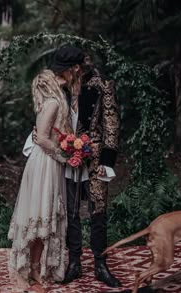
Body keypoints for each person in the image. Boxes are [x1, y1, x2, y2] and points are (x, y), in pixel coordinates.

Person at [49, 46, 122, 288]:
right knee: (71, 211)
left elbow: (111, 124)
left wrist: (107, 162)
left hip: (95, 159)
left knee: (97, 210)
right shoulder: (61, 87)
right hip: (67, 157)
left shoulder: (102, 85)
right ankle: (74, 263)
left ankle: (101, 264)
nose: (60, 75)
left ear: (76, 68)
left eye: (64, 70)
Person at [8, 69, 70, 284]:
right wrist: (63, 155)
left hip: (46, 161)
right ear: (50, 84)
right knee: (39, 216)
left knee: (42, 217)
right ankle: (28, 270)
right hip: (45, 162)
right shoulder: (52, 103)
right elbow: (42, 139)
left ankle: (35, 268)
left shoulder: (49, 103)